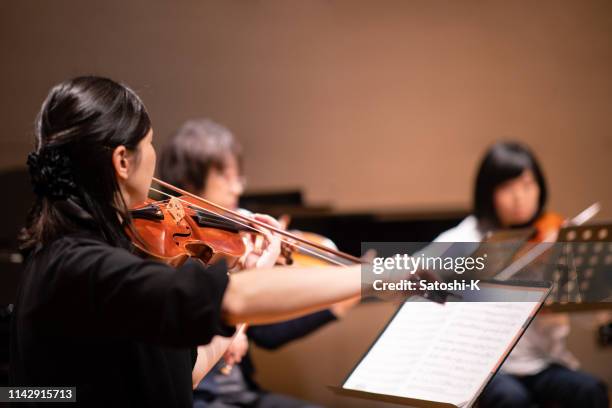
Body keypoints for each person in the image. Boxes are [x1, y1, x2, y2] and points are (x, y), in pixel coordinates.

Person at [9, 76, 368, 407]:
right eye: (149, 144)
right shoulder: (83, 267)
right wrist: (378, 273)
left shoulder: (79, 256)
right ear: (122, 160)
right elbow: (29, 395)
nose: (153, 156)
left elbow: (183, 375)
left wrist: (245, 278)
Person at [159, 119, 357, 407]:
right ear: (189, 182)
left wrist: (337, 304)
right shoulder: (171, 251)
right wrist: (228, 326)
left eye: (238, 175)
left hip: (243, 395)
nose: (237, 186)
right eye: (225, 176)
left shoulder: (235, 242)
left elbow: (267, 334)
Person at [434, 141, 608, 408]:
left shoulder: (553, 236)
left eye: (528, 185)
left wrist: (564, 289)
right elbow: (416, 281)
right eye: (507, 188)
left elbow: (591, 318)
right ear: (487, 194)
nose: (520, 197)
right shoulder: (464, 239)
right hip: (488, 367)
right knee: (511, 399)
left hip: (540, 363)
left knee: (591, 389)